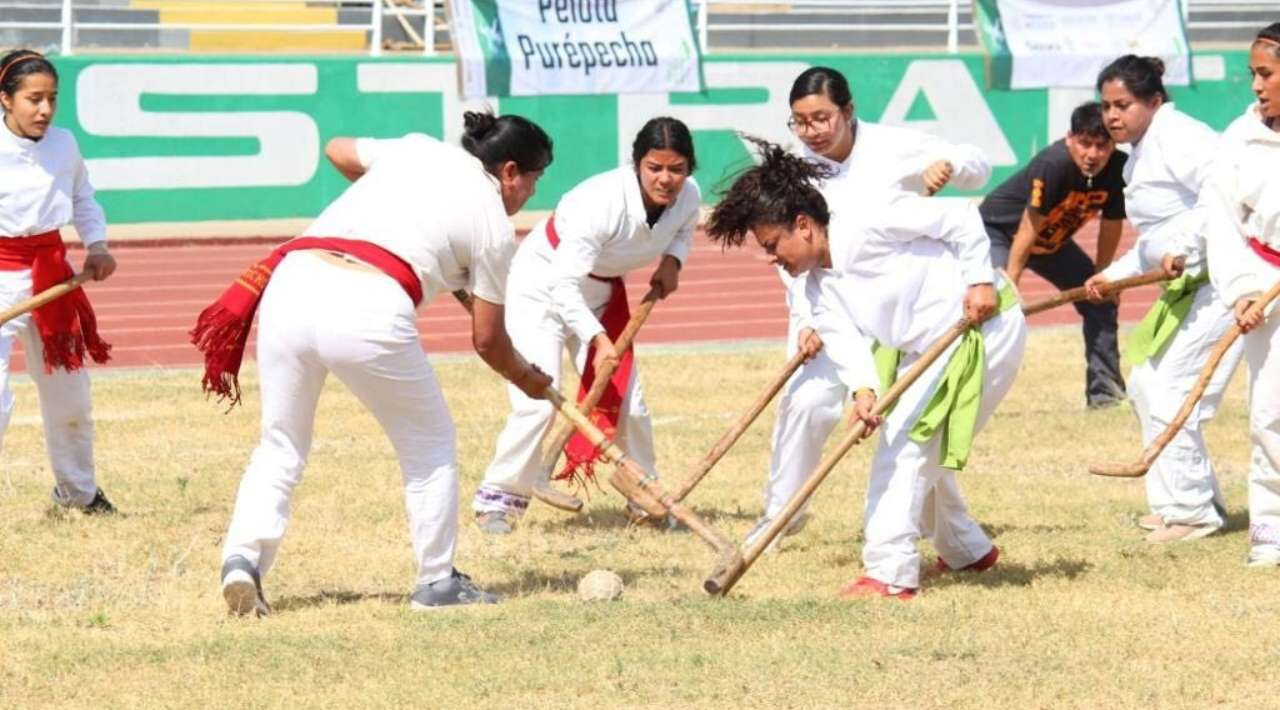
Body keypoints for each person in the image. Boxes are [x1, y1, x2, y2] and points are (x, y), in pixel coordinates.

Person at [194, 112, 555, 615]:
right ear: (511, 171)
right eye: (535, 181)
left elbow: (338, 149)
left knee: (280, 443)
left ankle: (242, 558)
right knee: (429, 444)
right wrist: (526, 377)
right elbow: (489, 340)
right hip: (368, 302)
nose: (531, 195)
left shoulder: (417, 146)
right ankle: (436, 582)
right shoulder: (493, 226)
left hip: (291, 283)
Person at [707, 139, 1026, 599]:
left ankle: (889, 573)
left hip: (981, 327)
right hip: (927, 347)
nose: (773, 258)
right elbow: (847, 345)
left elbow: (959, 218)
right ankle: (967, 550)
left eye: (774, 245)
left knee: (905, 447)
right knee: (919, 444)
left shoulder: (868, 218)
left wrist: (979, 280)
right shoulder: (815, 287)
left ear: (803, 225)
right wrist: (863, 392)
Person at [751, 66, 992, 549]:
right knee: (808, 402)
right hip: (827, 300)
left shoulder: (891, 147)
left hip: (899, 299)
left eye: (821, 118)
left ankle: (949, 536)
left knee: (911, 425)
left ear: (848, 111)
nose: (812, 132)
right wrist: (805, 318)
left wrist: (949, 166)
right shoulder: (799, 171)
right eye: (800, 121)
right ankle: (779, 517)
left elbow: (978, 164)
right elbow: (789, 253)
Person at [471, 116, 699, 534]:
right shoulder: (600, 203)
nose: (666, 179)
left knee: (632, 401)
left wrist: (674, 260)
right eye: (655, 168)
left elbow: (684, 229)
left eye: (677, 169)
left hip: (599, 296)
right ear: (637, 164)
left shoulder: (689, 197)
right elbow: (562, 285)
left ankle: (645, 498)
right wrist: (597, 339)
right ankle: (498, 501)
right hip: (540, 289)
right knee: (536, 398)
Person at [1084, 55, 1242, 543]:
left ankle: (1192, 513)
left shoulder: (1179, 136)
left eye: (1123, 105)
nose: (1112, 116)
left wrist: (1188, 247)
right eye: (1106, 106)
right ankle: (1189, 501)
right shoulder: (1143, 151)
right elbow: (1156, 240)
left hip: (1226, 283)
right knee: (1152, 384)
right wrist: (1111, 274)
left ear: (1154, 101)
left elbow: (1223, 194)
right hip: (1191, 285)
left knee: (1169, 387)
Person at [0, 50, 117, 514]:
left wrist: (98, 245)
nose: (45, 109)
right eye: (33, 99)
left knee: (69, 395)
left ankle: (79, 494)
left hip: (54, 279)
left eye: (52, 98)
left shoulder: (64, 143)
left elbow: (83, 196)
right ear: (5, 100)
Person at [980, 101, 1128, 408]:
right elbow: (1027, 227)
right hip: (999, 232)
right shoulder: (1054, 164)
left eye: (1102, 146)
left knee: (1099, 300)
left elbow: (1112, 225)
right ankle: (973, 394)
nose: (1092, 155)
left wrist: (1104, 275)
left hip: (1051, 242)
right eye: (1085, 144)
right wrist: (1010, 283)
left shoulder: (1118, 169)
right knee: (992, 308)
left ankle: (1106, 396)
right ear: (1069, 138)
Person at [1203, 23, 1280, 566]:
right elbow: (1223, 225)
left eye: (1266, 73)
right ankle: (1271, 526)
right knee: (1271, 413)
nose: (1256, 85)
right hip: (1267, 290)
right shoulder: (1238, 139)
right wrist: (1242, 290)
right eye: (1254, 73)